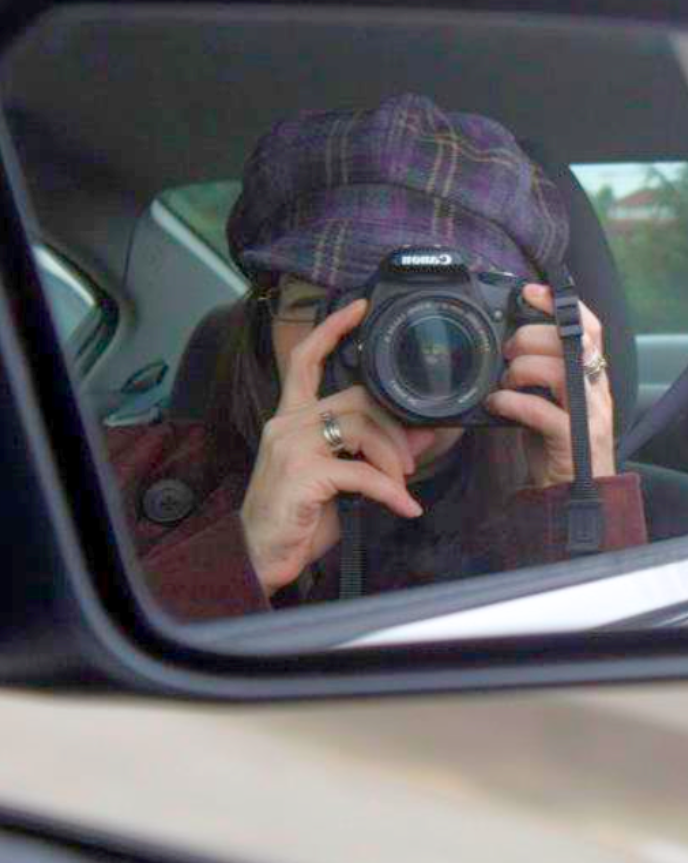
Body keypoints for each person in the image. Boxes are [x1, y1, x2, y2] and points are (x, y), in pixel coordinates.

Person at [107, 93, 647, 622]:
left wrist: (579, 501)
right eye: (321, 303)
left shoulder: (683, 523)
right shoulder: (107, 482)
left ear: (525, 324)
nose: (380, 339)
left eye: (437, 306)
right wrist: (239, 557)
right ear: (260, 320)